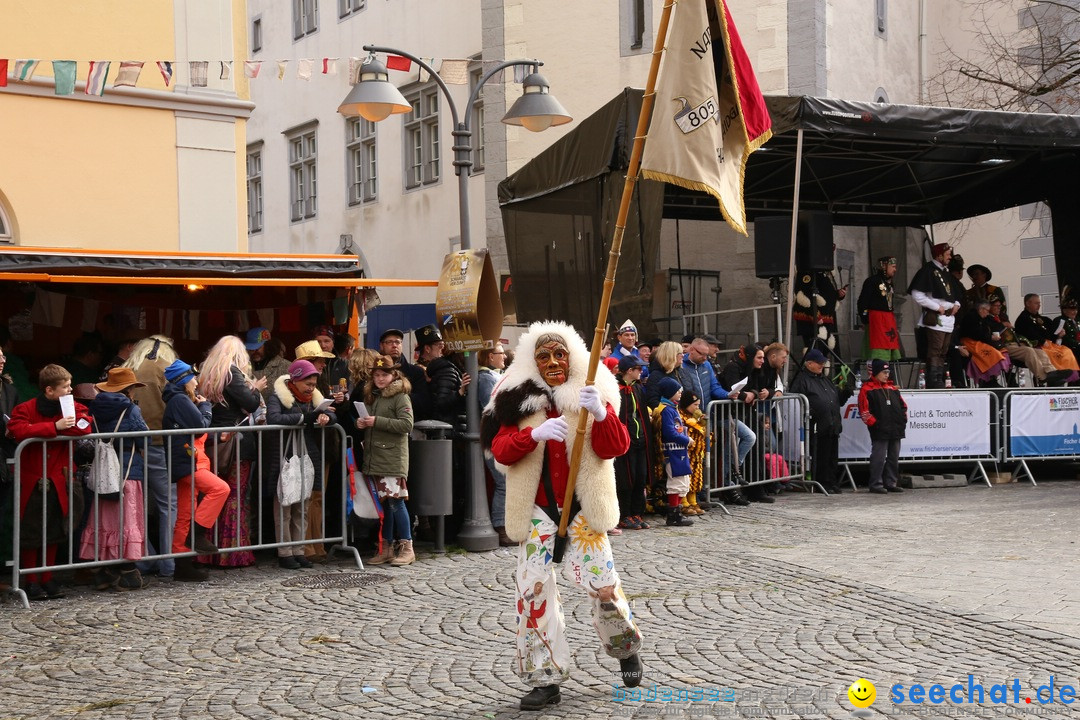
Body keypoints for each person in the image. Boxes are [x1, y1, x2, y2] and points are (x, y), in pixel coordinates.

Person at [481, 320, 642, 710]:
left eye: (559, 354)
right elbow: (499, 450)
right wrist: (531, 436)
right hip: (538, 509)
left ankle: (624, 649)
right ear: (531, 361)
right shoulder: (515, 396)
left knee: (603, 586)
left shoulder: (594, 389)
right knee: (533, 592)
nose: (553, 361)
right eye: (543, 356)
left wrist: (601, 413)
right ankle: (544, 676)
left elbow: (617, 447)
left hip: (583, 509)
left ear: (571, 356)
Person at [8, 364, 92, 600]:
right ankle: (31, 580)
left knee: (55, 530)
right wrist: (53, 427)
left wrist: (64, 425)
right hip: (33, 479)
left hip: (58, 478)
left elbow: (85, 426)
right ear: (49, 390)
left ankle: (48, 577)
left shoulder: (71, 407)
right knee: (32, 532)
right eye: (65, 387)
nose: (70, 391)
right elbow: (18, 430)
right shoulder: (26, 408)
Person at [199, 335, 266, 567]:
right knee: (235, 496)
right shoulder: (232, 372)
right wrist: (256, 389)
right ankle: (232, 552)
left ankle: (208, 552)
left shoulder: (207, 373)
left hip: (214, 440)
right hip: (236, 442)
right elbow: (250, 404)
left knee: (214, 495)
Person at [82, 367, 151, 591]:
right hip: (128, 470)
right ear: (129, 389)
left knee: (104, 518)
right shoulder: (130, 409)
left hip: (103, 470)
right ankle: (127, 570)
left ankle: (102, 569)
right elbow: (144, 440)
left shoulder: (95, 407)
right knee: (127, 518)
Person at [161, 359, 228, 582]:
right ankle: (197, 536)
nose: (196, 382)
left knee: (185, 515)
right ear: (184, 380)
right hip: (189, 462)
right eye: (193, 378)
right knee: (220, 489)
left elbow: (194, 431)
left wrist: (216, 436)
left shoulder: (178, 399)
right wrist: (205, 406)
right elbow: (200, 424)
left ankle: (182, 566)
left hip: (188, 460)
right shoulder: (180, 399)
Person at [267, 359, 335, 569]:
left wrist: (325, 417)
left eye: (314, 384)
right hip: (284, 456)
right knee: (284, 507)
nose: (311, 388)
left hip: (307, 455)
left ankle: (299, 549)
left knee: (302, 507)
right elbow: (274, 418)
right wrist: (307, 417)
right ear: (295, 381)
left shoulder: (312, 398)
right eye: (308, 384)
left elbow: (331, 413)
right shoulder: (277, 396)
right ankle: (285, 552)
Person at [124, 335, 178, 582]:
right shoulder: (163, 367)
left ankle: (144, 558)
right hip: (157, 442)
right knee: (168, 504)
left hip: (129, 446)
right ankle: (168, 563)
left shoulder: (129, 367)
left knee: (135, 505)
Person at [357, 355, 416, 566]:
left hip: (392, 458)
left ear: (394, 375)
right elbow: (373, 423)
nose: (380, 379)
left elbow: (407, 425)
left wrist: (376, 421)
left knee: (396, 503)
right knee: (386, 505)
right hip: (377, 457)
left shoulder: (400, 396)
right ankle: (387, 547)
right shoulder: (374, 396)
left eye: (384, 375)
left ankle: (407, 547)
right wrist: (362, 424)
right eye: (376, 375)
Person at [788, 349, 852, 494]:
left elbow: (836, 401)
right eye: (819, 362)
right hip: (815, 426)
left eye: (823, 362)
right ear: (809, 364)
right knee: (820, 456)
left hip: (832, 423)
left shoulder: (825, 380)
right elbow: (795, 402)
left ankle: (832, 482)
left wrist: (844, 394)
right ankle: (822, 482)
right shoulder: (802, 380)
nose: (822, 365)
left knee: (832, 456)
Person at [908, 243, 964, 388]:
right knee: (935, 350)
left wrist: (956, 304)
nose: (950, 257)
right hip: (936, 319)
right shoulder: (927, 270)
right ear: (939, 255)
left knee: (944, 351)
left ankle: (939, 377)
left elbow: (955, 294)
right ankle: (934, 381)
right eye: (947, 255)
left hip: (948, 319)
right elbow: (917, 294)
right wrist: (936, 306)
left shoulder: (946, 272)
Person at [478, 343, 514, 546]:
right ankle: (500, 527)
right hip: (493, 437)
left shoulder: (494, 375)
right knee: (502, 483)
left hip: (499, 436)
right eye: (500, 354)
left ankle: (506, 525)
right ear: (490, 357)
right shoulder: (485, 378)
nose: (504, 357)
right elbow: (489, 408)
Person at [614, 355, 652, 531]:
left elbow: (640, 414)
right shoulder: (617, 389)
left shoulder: (637, 388)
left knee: (640, 477)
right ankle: (624, 514)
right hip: (626, 442)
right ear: (630, 371)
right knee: (626, 479)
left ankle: (637, 513)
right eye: (639, 369)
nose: (642, 371)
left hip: (640, 440)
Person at [857, 359, 906, 494]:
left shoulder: (892, 389)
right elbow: (864, 411)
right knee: (878, 457)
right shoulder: (867, 389)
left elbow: (903, 407)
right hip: (879, 430)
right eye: (884, 372)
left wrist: (903, 420)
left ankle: (891, 482)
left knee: (893, 457)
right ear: (876, 373)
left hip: (896, 428)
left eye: (888, 372)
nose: (887, 375)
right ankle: (876, 484)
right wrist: (875, 424)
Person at [652, 377, 695, 527]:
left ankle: (676, 512)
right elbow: (670, 433)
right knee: (676, 482)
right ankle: (673, 514)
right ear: (670, 393)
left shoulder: (671, 408)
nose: (680, 394)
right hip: (673, 451)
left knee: (682, 481)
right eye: (677, 392)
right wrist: (686, 440)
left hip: (678, 451)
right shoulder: (666, 410)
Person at [1014, 294, 1080, 378]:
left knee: (1066, 351)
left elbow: (1052, 335)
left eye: (1039, 303)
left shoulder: (1044, 319)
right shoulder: (1023, 319)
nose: (1039, 305)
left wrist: (1059, 336)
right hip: (1036, 347)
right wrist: (1043, 341)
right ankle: (1055, 376)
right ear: (1027, 303)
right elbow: (1029, 335)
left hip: (1049, 345)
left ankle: (1067, 375)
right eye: (1036, 303)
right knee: (1052, 354)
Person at [794, 262, 846, 356]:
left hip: (826, 318)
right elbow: (804, 296)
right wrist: (815, 315)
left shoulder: (825, 271)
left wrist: (838, 294)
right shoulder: (806, 271)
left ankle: (821, 370)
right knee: (814, 350)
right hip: (812, 319)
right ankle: (812, 370)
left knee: (825, 351)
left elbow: (827, 292)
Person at [857, 256, 902, 363]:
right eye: (893, 266)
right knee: (877, 349)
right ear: (884, 266)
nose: (895, 269)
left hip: (888, 320)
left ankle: (885, 375)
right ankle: (875, 375)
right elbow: (862, 302)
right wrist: (866, 318)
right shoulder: (872, 281)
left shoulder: (889, 283)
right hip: (877, 320)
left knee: (888, 349)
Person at [957, 301, 1012, 386]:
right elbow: (976, 333)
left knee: (1000, 352)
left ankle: (992, 378)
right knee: (991, 354)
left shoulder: (981, 318)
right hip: (969, 342)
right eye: (987, 310)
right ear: (981, 309)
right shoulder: (971, 317)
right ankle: (987, 380)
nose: (987, 313)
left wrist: (990, 337)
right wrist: (990, 337)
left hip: (979, 341)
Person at [678, 390, 707, 516]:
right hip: (686, 453)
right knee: (685, 479)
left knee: (695, 479)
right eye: (695, 405)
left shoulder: (697, 418)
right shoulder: (681, 417)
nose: (697, 408)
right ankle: (684, 503)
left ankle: (693, 500)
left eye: (698, 405)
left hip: (697, 454)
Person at [643, 340, 684, 408]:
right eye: (680, 353)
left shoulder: (680, 372)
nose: (683, 355)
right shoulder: (656, 375)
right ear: (671, 355)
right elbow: (653, 401)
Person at [1052, 298, 1080, 367]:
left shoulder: (1077, 320)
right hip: (1069, 350)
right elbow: (1062, 339)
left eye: (1076, 309)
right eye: (1072, 310)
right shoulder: (1060, 321)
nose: (1075, 312)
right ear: (1064, 311)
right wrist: (1078, 344)